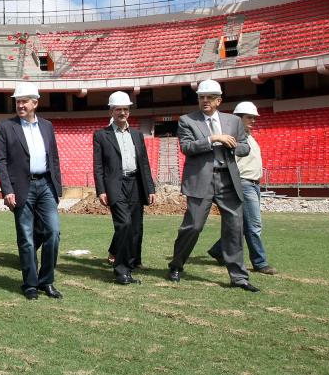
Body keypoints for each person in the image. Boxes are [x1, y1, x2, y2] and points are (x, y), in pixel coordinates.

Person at [167, 79, 259, 292]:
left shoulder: (234, 122)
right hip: (201, 180)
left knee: (234, 228)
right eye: (201, 97)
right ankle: (176, 265)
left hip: (229, 180)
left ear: (219, 100)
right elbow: (187, 147)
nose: (205, 100)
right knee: (193, 226)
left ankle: (239, 277)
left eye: (209, 97)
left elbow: (245, 147)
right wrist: (213, 139)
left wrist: (232, 146)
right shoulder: (186, 120)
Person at [0, 82, 64, 300]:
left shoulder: (47, 126)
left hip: (45, 185)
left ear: (35, 103)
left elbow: (53, 157)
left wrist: (57, 187)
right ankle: (30, 283)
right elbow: (1, 161)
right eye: (17, 101)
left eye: (24, 101)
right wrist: (7, 190)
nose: (20, 105)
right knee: (26, 237)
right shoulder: (6, 127)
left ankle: (47, 280)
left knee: (53, 233)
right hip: (21, 187)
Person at [207, 101, 278, 276]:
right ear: (238, 118)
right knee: (254, 225)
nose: (253, 120)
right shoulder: (233, 137)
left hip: (254, 183)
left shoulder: (249, 137)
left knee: (244, 224)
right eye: (249, 117)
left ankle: (218, 249)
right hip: (244, 183)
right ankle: (260, 262)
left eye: (254, 118)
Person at [93, 91, 156, 285]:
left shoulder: (137, 135)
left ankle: (128, 265)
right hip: (115, 185)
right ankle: (121, 270)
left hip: (136, 183)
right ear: (111, 111)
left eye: (126, 109)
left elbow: (144, 163)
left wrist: (151, 188)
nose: (122, 112)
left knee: (136, 228)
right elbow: (98, 166)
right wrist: (101, 190)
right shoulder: (101, 135)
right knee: (124, 224)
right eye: (118, 109)